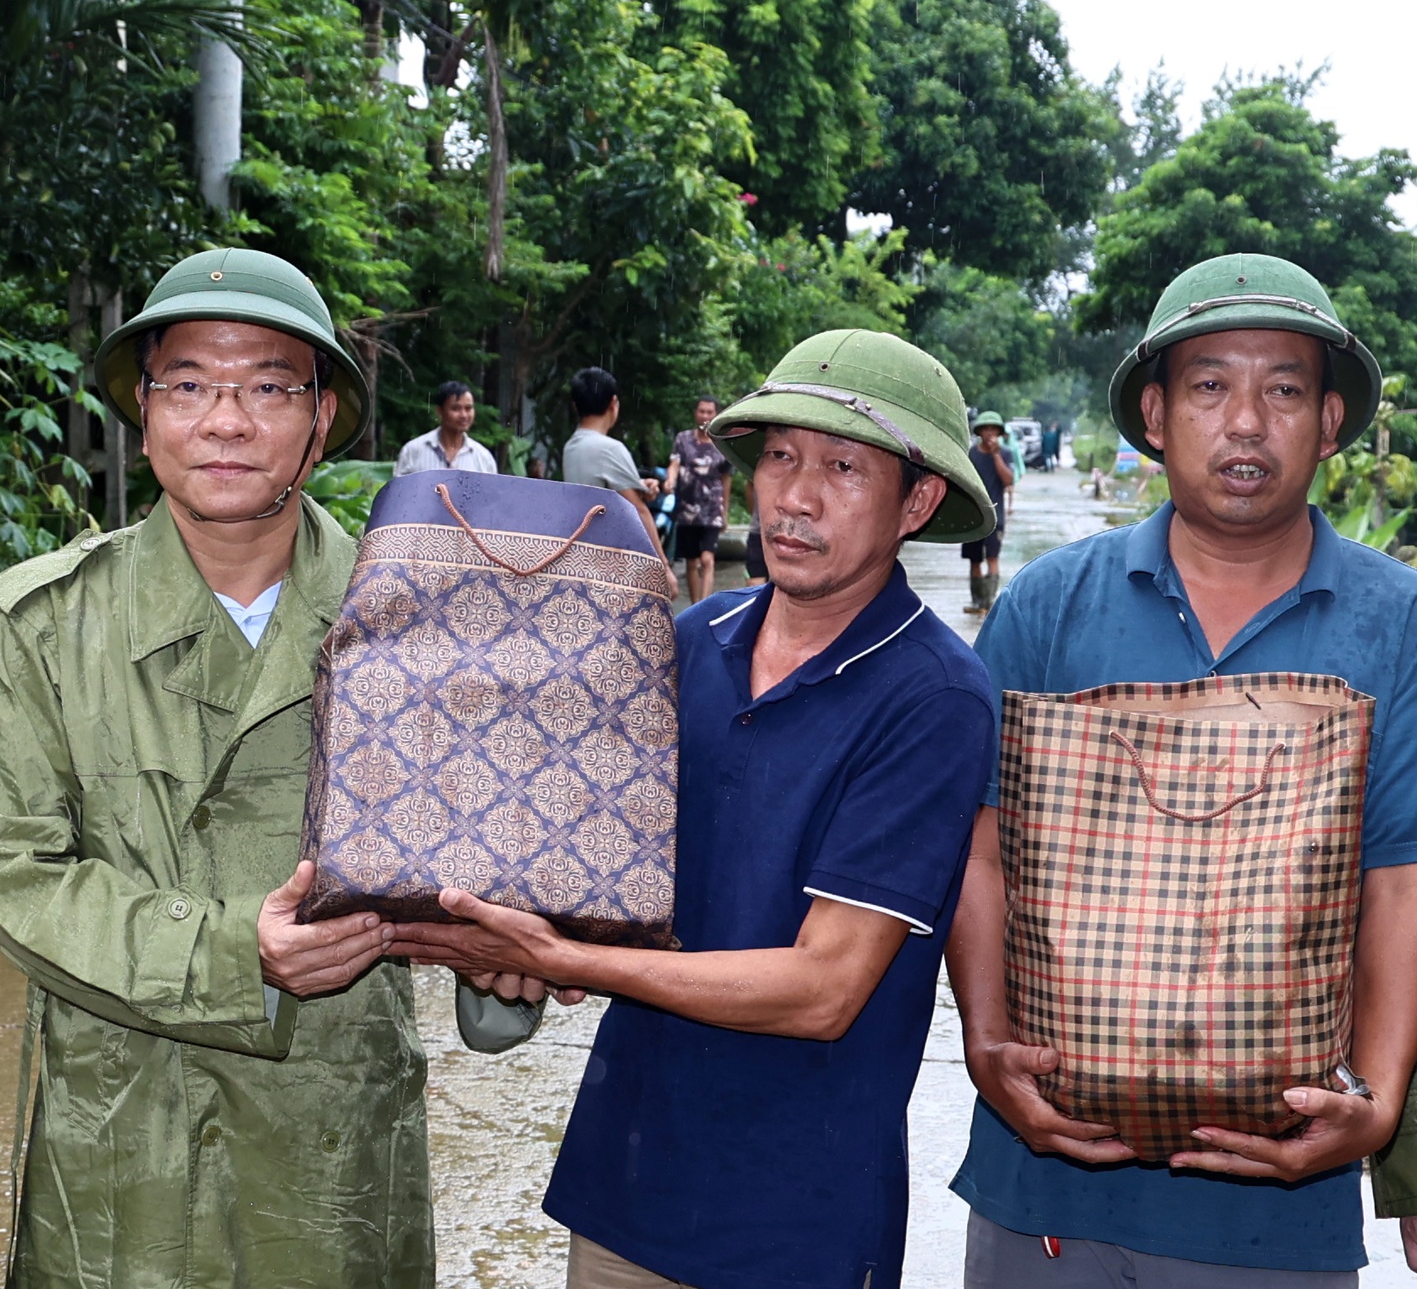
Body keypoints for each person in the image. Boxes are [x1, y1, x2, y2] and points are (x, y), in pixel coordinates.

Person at [0, 248, 532, 1289]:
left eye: (269, 386)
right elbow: (13, 875)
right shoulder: (44, 625)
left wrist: (507, 956)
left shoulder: (414, 619)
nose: (225, 419)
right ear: (146, 410)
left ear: (320, 420)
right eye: (188, 384)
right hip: (117, 1143)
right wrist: (232, 952)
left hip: (329, 1146)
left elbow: (489, 876)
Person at [394, 329, 1001, 1288]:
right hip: (625, 1183)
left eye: (843, 467)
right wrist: (495, 927)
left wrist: (564, 958)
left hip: (796, 1218)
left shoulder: (934, 696)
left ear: (917, 501)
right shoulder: (685, 637)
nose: (795, 496)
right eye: (780, 458)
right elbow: (587, 856)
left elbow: (825, 988)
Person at [947, 253, 1417, 1287]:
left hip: (1275, 1217)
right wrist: (985, 1044)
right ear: (1152, 416)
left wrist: (1376, 1099)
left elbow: (1396, 876)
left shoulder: (1397, 622)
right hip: (1044, 1193)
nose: (1244, 421)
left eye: (1282, 389)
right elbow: (978, 844)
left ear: (1328, 423)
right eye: (1208, 386)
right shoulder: (1047, 605)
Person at [562, 366, 669, 563]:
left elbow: (600, 487)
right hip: (608, 557)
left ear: (575, 406)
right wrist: (662, 565)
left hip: (580, 550)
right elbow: (638, 510)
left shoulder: (571, 446)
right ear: (613, 403)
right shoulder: (609, 448)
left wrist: (639, 486)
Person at [664, 395, 734, 602]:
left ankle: (705, 604)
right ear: (696, 413)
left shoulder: (722, 444)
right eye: (701, 411)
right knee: (691, 562)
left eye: (709, 412)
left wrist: (725, 512)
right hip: (687, 509)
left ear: (716, 414)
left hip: (711, 510)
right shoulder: (683, 439)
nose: (705, 415)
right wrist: (670, 481)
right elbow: (674, 464)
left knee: (707, 559)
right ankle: (696, 607)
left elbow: (726, 480)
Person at [964, 411, 1014, 615]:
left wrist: (995, 455)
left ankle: (989, 601)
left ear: (999, 432)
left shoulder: (1006, 454)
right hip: (972, 515)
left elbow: (1009, 480)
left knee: (992, 558)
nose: (990, 433)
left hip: (996, 516)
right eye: (986, 429)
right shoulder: (971, 454)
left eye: (994, 429)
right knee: (974, 559)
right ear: (979, 432)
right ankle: (977, 601)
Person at [394, 380, 498, 475]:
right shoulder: (412, 451)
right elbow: (399, 493)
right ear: (440, 411)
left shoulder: (484, 458)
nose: (464, 415)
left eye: (468, 408)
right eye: (455, 408)